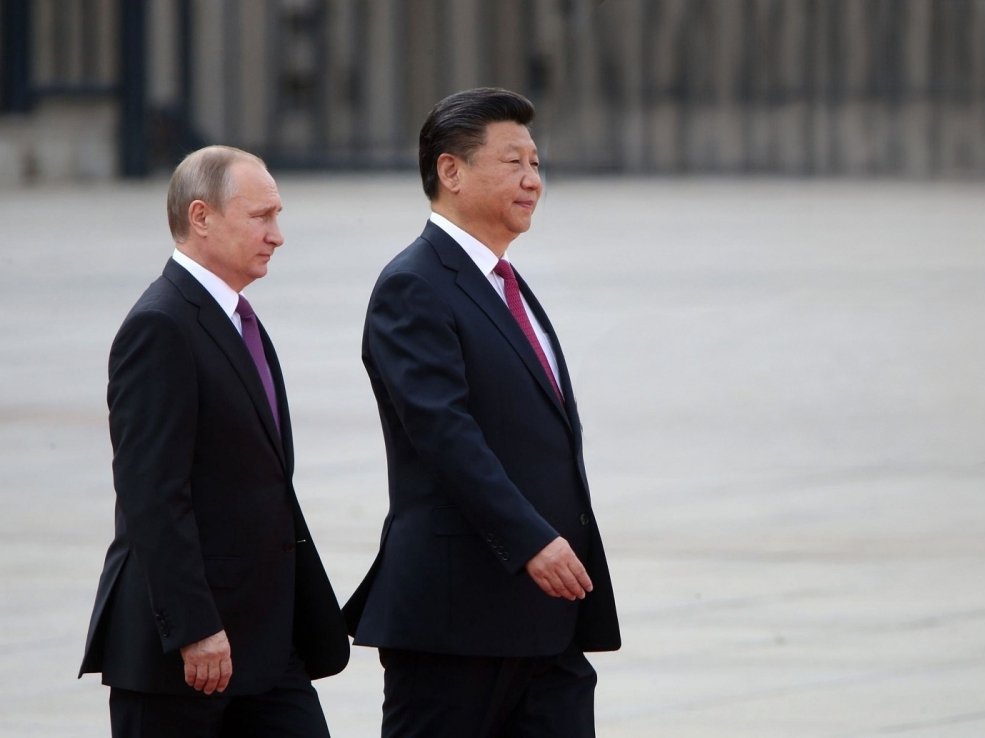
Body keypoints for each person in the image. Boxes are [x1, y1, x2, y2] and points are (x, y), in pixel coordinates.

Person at [343, 87, 621, 737]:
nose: (533, 181)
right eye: (513, 163)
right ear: (451, 171)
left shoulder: (506, 285)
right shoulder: (414, 284)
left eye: (536, 164)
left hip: (546, 622)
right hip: (457, 623)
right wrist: (531, 540)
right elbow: (443, 432)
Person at [79, 145, 349, 738]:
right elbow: (152, 494)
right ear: (201, 217)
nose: (277, 235)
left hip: (267, 642)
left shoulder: (237, 319)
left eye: (278, 216)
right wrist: (195, 627)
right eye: (261, 217)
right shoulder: (161, 325)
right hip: (183, 653)